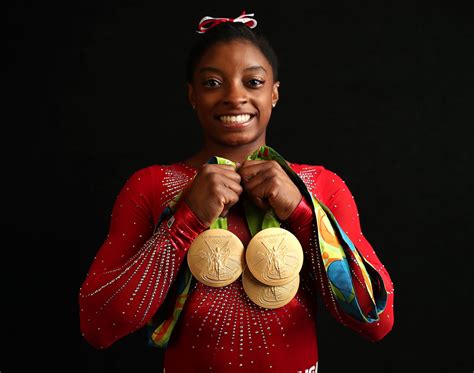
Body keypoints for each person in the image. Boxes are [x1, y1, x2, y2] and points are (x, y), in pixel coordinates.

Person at [79, 11, 394, 372]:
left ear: (275, 93)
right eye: (213, 83)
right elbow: (98, 325)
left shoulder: (319, 186)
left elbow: (377, 321)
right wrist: (185, 221)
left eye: (253, 82)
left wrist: (303, 213)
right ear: (191, 95)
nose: (234, 96)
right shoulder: (153, 186)